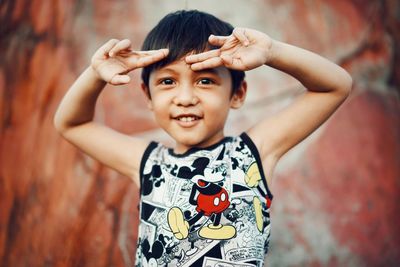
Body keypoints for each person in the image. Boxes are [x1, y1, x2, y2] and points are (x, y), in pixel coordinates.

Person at [54, 9, 352, 267]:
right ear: (148, 95)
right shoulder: (148, 164)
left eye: (205, 80)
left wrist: (272, 52)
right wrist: (95, 74)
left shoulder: (253, 153)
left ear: (237, 93)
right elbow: (71, 124)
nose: (185, 98)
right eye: (168, 81)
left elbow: (335, 86)